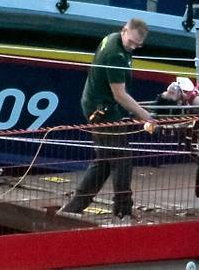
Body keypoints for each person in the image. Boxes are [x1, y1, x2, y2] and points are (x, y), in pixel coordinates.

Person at [59, 18, 156, 221]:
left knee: (104, 160)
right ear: (124, 31)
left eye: (138, 45)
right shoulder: (116, 55)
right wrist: (146, 116)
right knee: (122, 159)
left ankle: (75, 206)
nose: (133, 47)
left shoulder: (112, 38)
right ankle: (122, 209)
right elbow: (119, 94)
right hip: (103, 111)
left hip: (97, 103)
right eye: (131, 42)